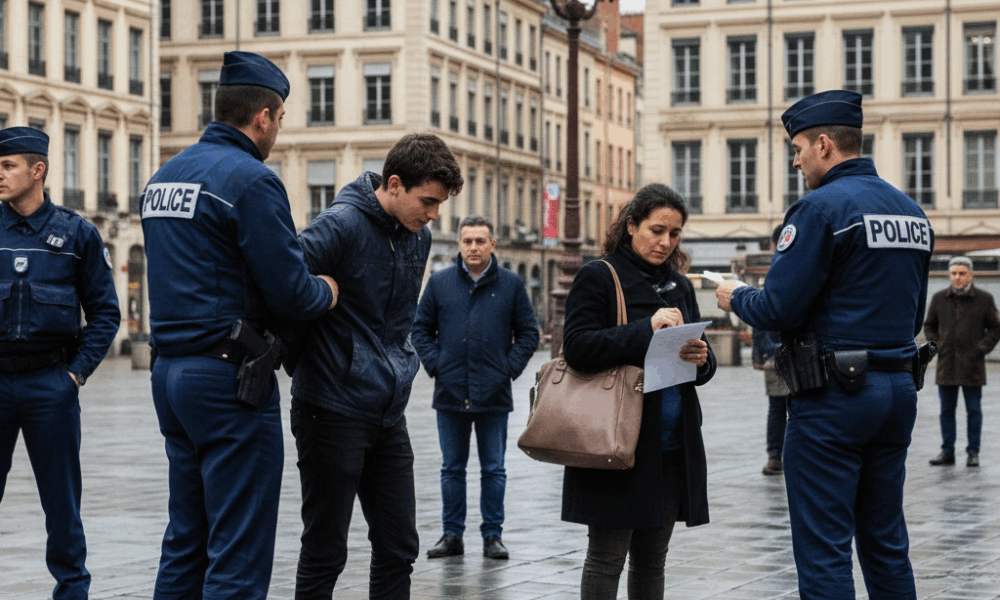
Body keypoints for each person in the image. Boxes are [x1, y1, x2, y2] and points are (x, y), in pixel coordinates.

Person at [716, 90, 933, 600]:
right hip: (897, 389)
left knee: (824, 550)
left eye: (797, 149)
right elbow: (915, 313)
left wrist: (736, 296)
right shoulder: (910, 212)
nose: (795, 160)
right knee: (885, 542)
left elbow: (778, 310)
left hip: (834, 397)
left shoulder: (819, 208)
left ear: (825, 144)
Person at [141, 51, 338, 600]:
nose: (277, 131)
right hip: (229, 382)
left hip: (170, 375)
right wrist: (328, 289)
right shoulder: (251, 180)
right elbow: (291, 290)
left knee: (186, 539)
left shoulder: (163, 177)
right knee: (238, 551)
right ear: (264, 117)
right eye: (280, 120)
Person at [290, 133, 464, 599]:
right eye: (427, 201)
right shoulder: (340, 224)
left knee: (399, 545)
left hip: (388, 410)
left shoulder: (418, 238)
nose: (433, 214)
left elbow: (399, 321)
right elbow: (282, 282)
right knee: (325, 549)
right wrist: (320, 303)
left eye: (439, 205)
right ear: (393, 183)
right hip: (329, 406)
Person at [561, 183, 716, 600]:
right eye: (656, 230)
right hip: (618, 441)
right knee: (607, 557)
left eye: (675, 233)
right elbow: (576, 348)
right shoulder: (600, 276)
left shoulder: (680, 286)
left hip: (670, 444)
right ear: (632, 225)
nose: (665, 242)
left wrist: (703, 358)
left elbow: (698, 359)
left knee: (653, 558)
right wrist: (644, 330)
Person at [0, 127, 120, 600]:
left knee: (61, 505)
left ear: (38, 170)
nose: (0, 174)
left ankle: (72, 591)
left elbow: (106, 311)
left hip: (51, 384)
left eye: (8, 166)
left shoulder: (76, 234)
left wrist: (75, 373)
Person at [411, 215, 540, 560]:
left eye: (480, 241)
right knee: (451, 469)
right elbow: (420, 329)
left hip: (493, 394)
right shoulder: (439, 283)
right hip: (450, 394)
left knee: (494, 469)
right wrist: (437, 365)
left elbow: (529, 332)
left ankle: (492, 536)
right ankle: (452, 535)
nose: (473, 247)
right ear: (459, 244)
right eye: (467, 241)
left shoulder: (511, 284)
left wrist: (508, 370)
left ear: (492, 245)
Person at [925, 256, 1000, 468]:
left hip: (972, 365)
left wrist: (981, 349)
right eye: (953, 273)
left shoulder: (984, 299)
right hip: (947, 364)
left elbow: (996, 327)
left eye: (962, 273)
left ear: (971, 275)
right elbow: (929, 325)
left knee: (973, 411)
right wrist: (938, 345)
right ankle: (947, 451)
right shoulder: (939, 298)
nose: (957, 277)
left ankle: (973, 452)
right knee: (946, 411)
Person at [753, 226, 790, 476]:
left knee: (778, 408)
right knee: (788, 409)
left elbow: (760, 318)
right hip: (787, 355)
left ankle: (775, 456)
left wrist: (765, 352)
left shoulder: (775, 274)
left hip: (777, 355)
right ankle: (777, 456)